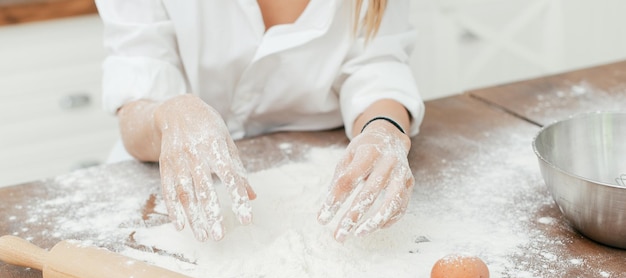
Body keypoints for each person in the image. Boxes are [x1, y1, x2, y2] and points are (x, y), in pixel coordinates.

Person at [95, 0, 425, 243]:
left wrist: (383, 128)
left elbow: (377, 64)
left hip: (323, 164)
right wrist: (170, 114)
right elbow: (135, 102)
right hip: (164, 174)